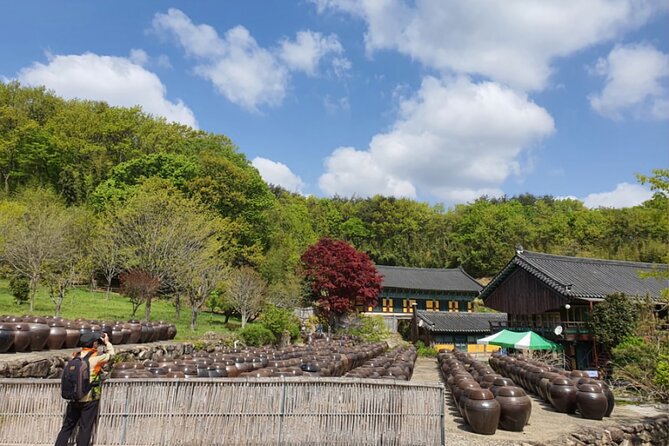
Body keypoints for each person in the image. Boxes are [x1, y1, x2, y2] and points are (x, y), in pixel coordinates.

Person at [55, 331, 115, 446]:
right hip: (89, 398)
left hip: (74, 397)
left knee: (67, 427)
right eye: (96, 342)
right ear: (93, 344)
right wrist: (107, 343)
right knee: (85, 428)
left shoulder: (74, 356)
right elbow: (112, 355)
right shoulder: (96, 359)